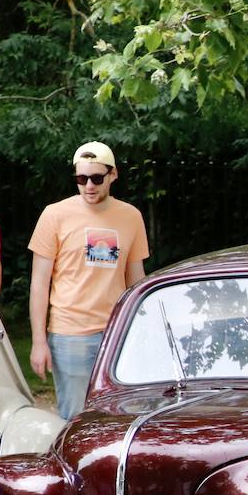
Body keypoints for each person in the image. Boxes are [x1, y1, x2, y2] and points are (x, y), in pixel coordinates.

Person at [29, 141, 149, 420]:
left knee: (117, 416)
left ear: (113, 175)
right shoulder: (54, 214)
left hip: (117, 332)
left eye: (97, 178)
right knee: (75, 418)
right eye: (81, 179)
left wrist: (143, 329)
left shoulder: (131, 216)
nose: (89, 186)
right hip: (70, 333)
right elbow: (39, 283)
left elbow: (136, 281)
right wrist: (38, 341)